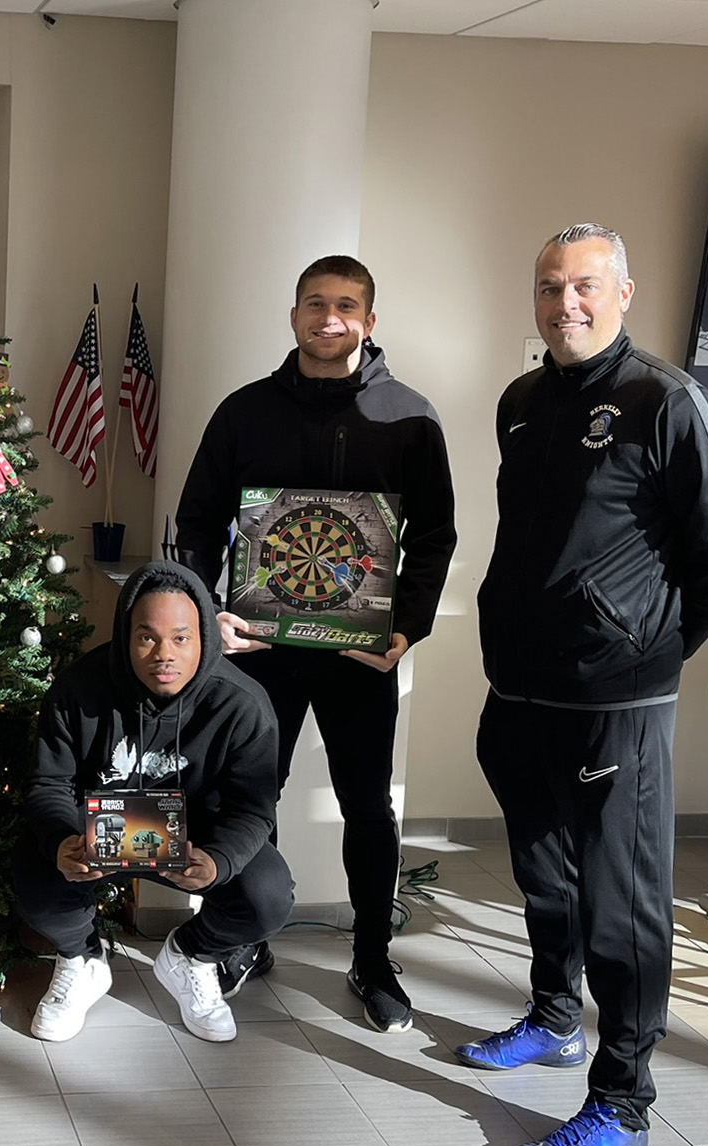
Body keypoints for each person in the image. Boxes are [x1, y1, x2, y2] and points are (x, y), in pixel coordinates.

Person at [463, 223, 708, 1146]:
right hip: (519, 690)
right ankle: (554, 1016)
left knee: (620, 906)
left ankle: (622, 1102)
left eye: (585, 285)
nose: (566, 304)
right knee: (544, 875)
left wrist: (645, 647)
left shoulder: (668, 401)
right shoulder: (520, 403)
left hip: (616, 706)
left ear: (623, 293)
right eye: (550, 287)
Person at [174, 255, 456, 1033]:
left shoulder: (410, 416)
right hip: (258, 650)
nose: (328, 319)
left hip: (359, 654)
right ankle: (241, 935)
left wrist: (406, 628)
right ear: (293, 314)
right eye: (314, 304)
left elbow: (433, 536)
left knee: (366, 805)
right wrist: (206, 612)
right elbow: (195, 521)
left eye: (345, 306)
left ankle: (372, 956)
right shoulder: (244, 411)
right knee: (247, 798)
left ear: (369, 319)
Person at [18, 562, 293, 1043]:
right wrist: (61, 840)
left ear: (205, 637)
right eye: (147, 637)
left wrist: (220, 860)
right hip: (97, 830)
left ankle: (193, 955)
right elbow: (49, 784)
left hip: (196, 836)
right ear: (126, 636)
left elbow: (253, 809)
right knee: (34, 869)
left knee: (267, 894)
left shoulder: (243, 704)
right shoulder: (76, 690)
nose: (164, 654)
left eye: (181, 639)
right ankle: (81, 959)